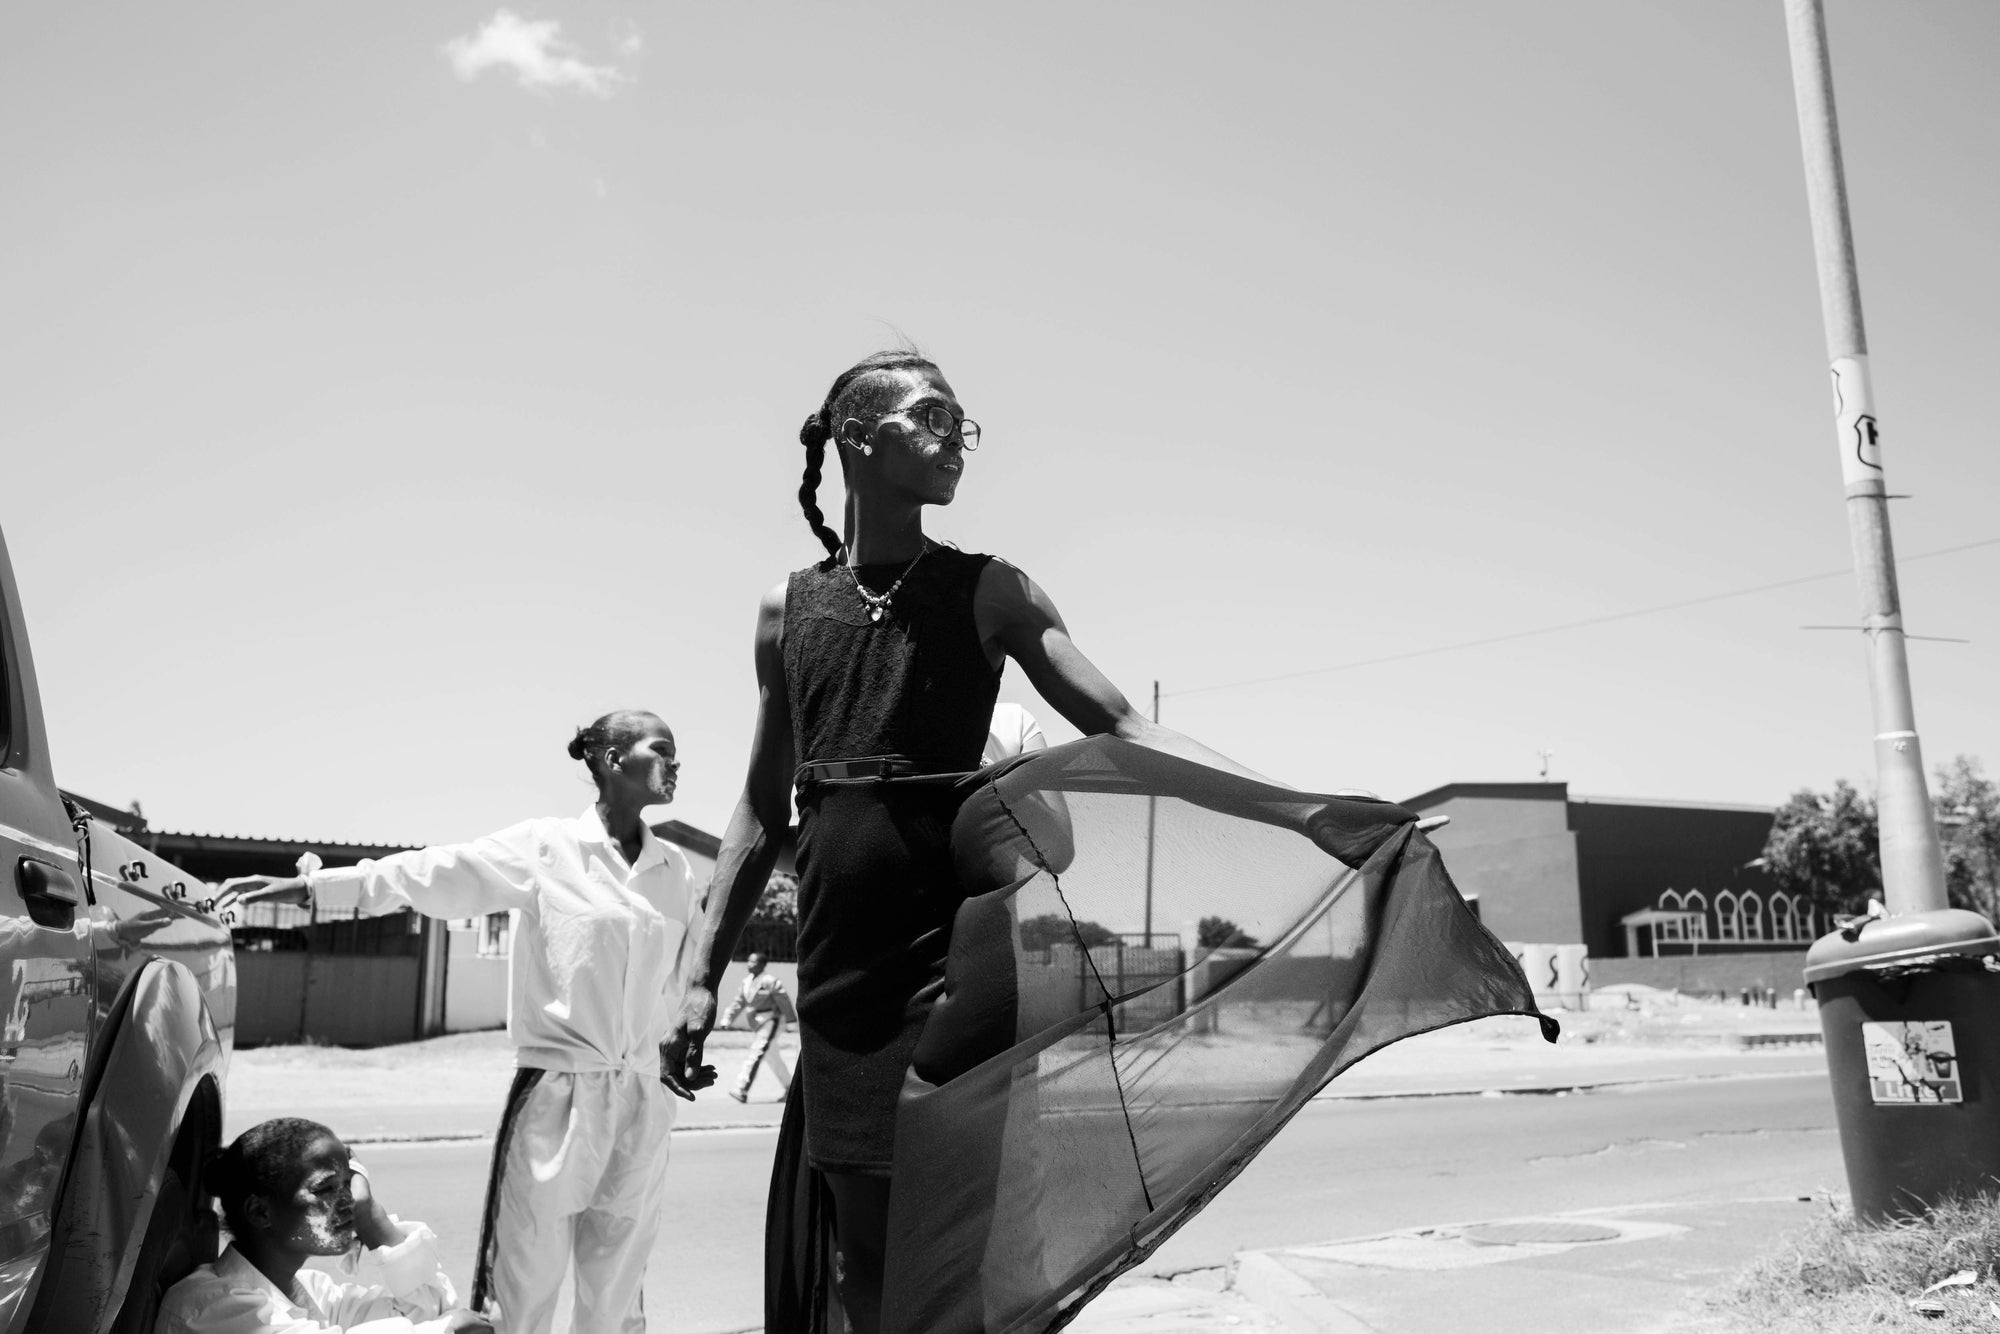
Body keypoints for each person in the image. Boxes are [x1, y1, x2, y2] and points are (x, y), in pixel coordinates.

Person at [658, 351, 1269, 1333]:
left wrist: (1294, 807)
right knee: (863, 1265)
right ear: (858, 436)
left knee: (958, 1257)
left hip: (955, 973)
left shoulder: (992, 592)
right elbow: (762, 809)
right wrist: (698, 971)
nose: (956, 439)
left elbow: (1121, 726)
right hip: (840, 980)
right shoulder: (788, 612)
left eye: (962, 424)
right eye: (931, 416)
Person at [223, 711, 706, 1334]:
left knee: (617, 1295)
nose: (676, 763)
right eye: (661, 749)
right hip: (558, 1098)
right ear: (613, 760)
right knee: (521, 1293)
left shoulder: (676, 871)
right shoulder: (546, 848)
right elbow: (430, 873)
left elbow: (681, 982)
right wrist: (314, 890)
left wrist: (680, 1048)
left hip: (642, 1099)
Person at [155, 1117, 488, 1334]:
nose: (347, 1202)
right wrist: (445, 1330)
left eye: (348, 1184)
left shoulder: (314, 1292)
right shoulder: (212, 1303)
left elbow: (428, 1309)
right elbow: (437, 1324)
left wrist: (372, 1218)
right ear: (260, 1212)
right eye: (326, 1189)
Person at [719, 952, 795, 1102]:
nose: (749, 964)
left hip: (771, 1021)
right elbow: (738, 1002)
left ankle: (741, 1089)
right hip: (757, 1024)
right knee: (772, 1058)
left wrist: (791, 1021)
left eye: (753, 962)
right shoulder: (746, 982)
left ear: (762, 965)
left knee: (756, 1053)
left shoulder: (770, 981)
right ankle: (791, 1090)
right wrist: (727, 1019)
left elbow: (784, 1001)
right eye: (748, 961)